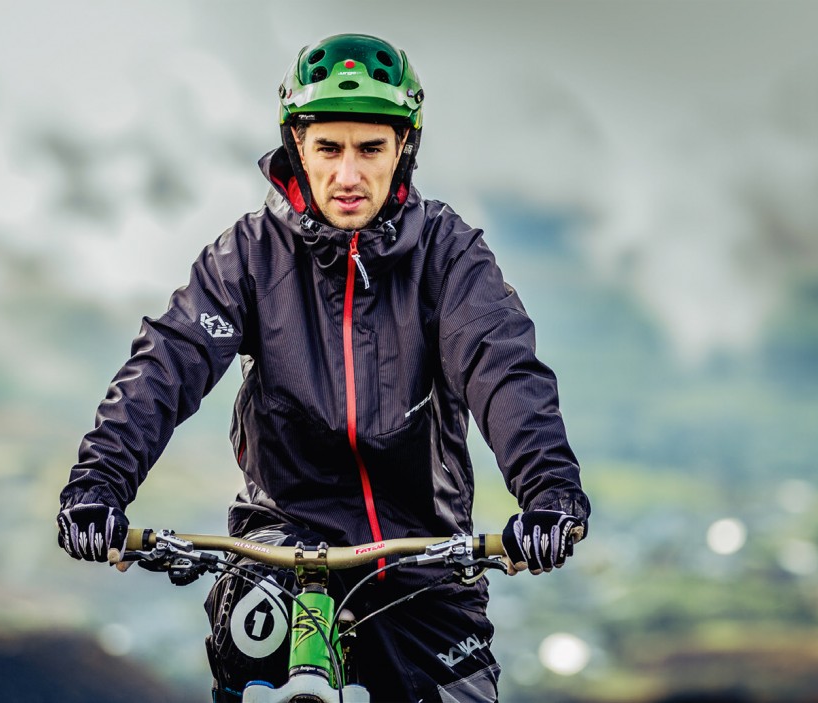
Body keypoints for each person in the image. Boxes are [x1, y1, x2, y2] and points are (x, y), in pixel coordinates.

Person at [57, 33, 590, 702]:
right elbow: (169, 361)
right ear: (297, 149)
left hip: (422, 561)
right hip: (279, 554)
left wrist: (549, 493)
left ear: (403, 149)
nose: (348, 175)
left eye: (370, 149)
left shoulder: (449, 255)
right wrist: (98, 484)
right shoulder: (247, 256)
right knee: (252, 643)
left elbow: (503, 368)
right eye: (329, 148)